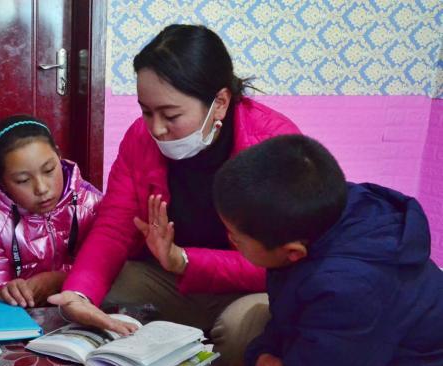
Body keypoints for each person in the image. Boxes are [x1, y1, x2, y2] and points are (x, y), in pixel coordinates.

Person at [48, 24, 300, 344]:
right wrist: (80, 293)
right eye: (146, 111)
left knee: (241, 333)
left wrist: (182, 259)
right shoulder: (140, 138)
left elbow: (278, 260)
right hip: (173, 278)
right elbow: (114, 227)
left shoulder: (275, 147)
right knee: (99, 289)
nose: (157, 129)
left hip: (251, 287)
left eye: (170, 115)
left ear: (220, 102)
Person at [213, 134, 443, 366]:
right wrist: (263, 353)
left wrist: (264, 362)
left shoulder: (349, 287)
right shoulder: (324, 210)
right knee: (243, 359)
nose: (229, 240)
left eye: (236, 238)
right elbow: (287, 312)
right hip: (351, 357)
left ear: (292, 252)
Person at [0, 116, 113, 313]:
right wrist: (6, 292)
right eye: (23, 180)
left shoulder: (90, 203)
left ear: (58, 155)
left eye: (49, 170)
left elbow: (110, 268)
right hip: (26, 318)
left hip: (88, 308)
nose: (41, 188)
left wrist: (59, 280)